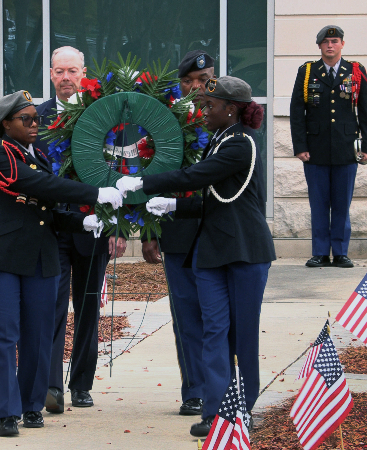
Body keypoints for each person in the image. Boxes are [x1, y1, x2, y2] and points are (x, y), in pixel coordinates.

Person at [116, 76, 275, 437]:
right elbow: (213, 199)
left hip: (244, 250)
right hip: (212, 250)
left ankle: (242, 409)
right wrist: (175, 205)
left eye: (209, 105)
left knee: (243, 334)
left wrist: (145, 183)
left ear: (230, 109)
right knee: (214, 330)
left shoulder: (242, 143)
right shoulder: (219, 140)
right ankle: (216, 409)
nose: (203, 111)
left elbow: (201, 176)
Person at [0, 91, 124, 437]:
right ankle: (6, 410)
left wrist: (82, 222)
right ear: (5, 123)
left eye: (35, 118)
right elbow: (31, 184)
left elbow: (47, 209)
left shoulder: (37, 154)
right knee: (3, 333)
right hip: (2, 255)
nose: (33, 124)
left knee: (38, 333)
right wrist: (92, 194)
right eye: (25, 119)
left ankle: (30, 404)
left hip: (40, 254)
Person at [34, 46, 127, 413]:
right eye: (59, 71)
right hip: (51, 229)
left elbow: (122, 173)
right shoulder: (34, 118)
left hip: (94, 229)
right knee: (51, 308)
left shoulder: (102, 115)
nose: (66, 78)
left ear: (83, 72)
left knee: (88, 310)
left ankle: (81, 384)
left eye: (72, 71)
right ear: (51, 74)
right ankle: (52, 386)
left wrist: (119, 227)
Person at [139, 49, 216, 417]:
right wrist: (148, 233)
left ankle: (221, 387)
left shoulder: (229, 117)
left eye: (203, 81)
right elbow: (151, 176)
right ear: (180, 84)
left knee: (218, 317)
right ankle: (195, 390)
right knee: (187, 314)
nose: (197, 88)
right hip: (180, 231)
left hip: (220, 233)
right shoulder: (166, 120)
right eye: (189, 82)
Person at [290, 25, 367, 269]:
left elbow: (366, 111)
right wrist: (300, 146)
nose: (330, 45)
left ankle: (339, 252)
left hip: (346, 148)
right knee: (318, 204)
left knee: (341, 204)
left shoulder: (356, 71)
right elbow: (297, 111)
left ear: (342, 45)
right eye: (326, 42)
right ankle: (318, 252)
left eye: (335, 41)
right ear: (319, 46)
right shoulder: (307, 72)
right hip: (314, 149)